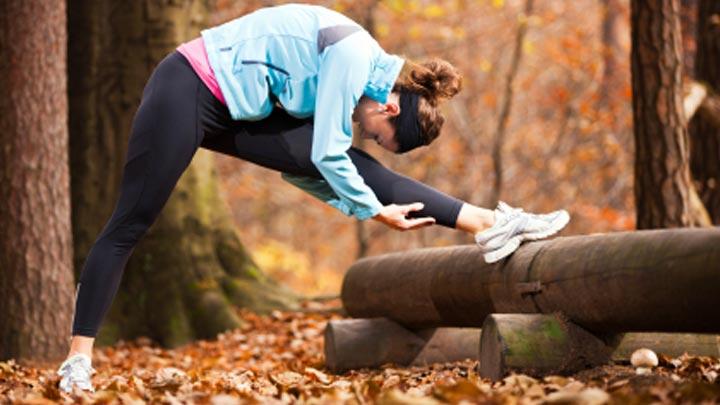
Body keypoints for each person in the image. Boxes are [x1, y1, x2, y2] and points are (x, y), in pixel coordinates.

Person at [56, 3, 569, 392]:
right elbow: (326, 153)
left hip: (238, 110)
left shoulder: (360, 73)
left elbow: (305, 168)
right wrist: (371, 210)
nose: (366, 133)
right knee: (131, 222)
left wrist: (357, 203)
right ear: (390, 107)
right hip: (188, 85)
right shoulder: (352, 54)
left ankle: (491, 223)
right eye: (377, 133)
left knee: (360, 170)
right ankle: (78, 358)